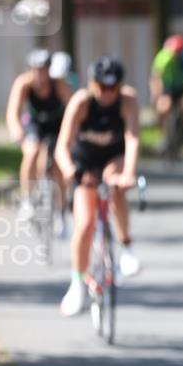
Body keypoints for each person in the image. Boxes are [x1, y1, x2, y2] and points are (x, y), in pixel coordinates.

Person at [54, 57, 143, 317]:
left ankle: (127, 248)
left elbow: (133, 139)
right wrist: (70, 170)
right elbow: (62, 145)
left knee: (116, 184)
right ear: (92, 85)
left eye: (112, 88)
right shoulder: (81, 102)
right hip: (85, 162)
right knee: (85, 222)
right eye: (102, 88)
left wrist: (129, 172)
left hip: (113, 158)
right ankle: (77, 284)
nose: (107, 94)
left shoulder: (127, 100)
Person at [6, 48, 72, 222]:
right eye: (36, 70)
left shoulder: (59, 85)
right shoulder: (24, 84)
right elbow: (13, 111)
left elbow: (73, 110)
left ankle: (62, 209)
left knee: (59, 164)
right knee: (31, 153)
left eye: (43, 70)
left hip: (58, 125)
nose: (39, 75)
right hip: (35, 125)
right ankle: (27, 199)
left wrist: (73, 135)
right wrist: (16, 131)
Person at [150, 34, 183, 132]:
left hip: (182, 86)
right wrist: (156, 95)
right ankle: (162, 134)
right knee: (162, 108)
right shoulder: (163, 57)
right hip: (168, 86)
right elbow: (156, 77)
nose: (176, 54)